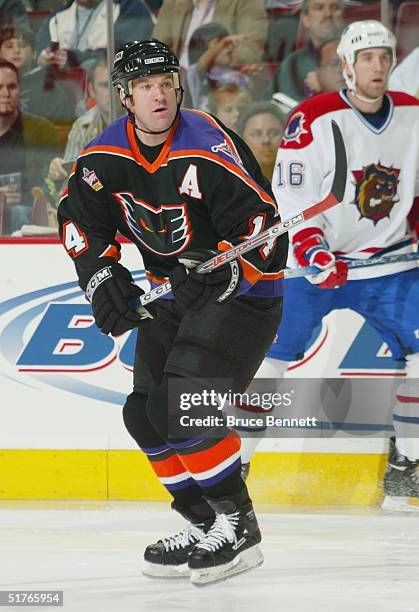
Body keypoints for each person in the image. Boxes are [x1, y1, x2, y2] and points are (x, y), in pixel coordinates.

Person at [57, 39, 288, 584]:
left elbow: (265, 236)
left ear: (178, 87)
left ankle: (237, 526)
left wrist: (220, 266)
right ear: (125, 98)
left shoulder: (209, 144)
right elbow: (80, 223)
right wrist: (100, 277)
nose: (158, 95)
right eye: (144, 87)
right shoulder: (104, 156)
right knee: (142, 412)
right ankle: (204, 518)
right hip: (171, 295)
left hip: (245, 297)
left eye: (166, 83)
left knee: (183, 402)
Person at [241, 21, 419, 511]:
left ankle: (406, 466)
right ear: (346, 65)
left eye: (384, 57)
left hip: (389, 263)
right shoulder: (313, 117)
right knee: (273, 359)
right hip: (317, 264)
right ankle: (235, 464)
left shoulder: (412, 113)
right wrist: (313, 250)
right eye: (367, 59)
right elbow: (293, 194)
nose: (378, 66)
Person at [0, 58, 58, 234]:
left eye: (11, 87)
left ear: (20, 90)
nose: (5, 94)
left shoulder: (42, 130)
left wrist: (24, 197)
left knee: (16, 212)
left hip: (26, 214)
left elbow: (49, 187)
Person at [46, 53, 111, 203]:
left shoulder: (142, 122)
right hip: (95, 207)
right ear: (92, 90)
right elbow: (70, 183)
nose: (113, 91)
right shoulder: (82, 126)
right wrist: (58, 171)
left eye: (117, 83)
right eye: (105, 85)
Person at [35, 0, 153, 69]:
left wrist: (76, 58)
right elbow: (41, 47)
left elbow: (126, 54)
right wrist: (45, 56)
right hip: (63, 92)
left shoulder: (129, 7)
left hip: (111, 91)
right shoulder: (59, 13)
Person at [266, 0, 344, 102]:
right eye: (319, 8)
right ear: (305, 19)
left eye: (335, 8)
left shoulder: (358, 56)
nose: (328, 14)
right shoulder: (291, 64)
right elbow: (271, 107)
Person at [152, 0, 267, 69]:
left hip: (219, 83)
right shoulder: (174, 2)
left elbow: (252, 48)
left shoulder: (246, 2)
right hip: (176, 84)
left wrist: (211, 61)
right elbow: (157, 48)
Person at [0, 24, 74, 124]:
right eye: (9, 46)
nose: (16, 51)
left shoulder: (49, 88)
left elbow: (61, 128)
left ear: (34, 53)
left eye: (22, 46)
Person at [237, 101, 284, 181]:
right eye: (256, 134)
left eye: (273, 133)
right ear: (241, 140)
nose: (266, 140)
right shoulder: (232, 185)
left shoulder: (302, 180)